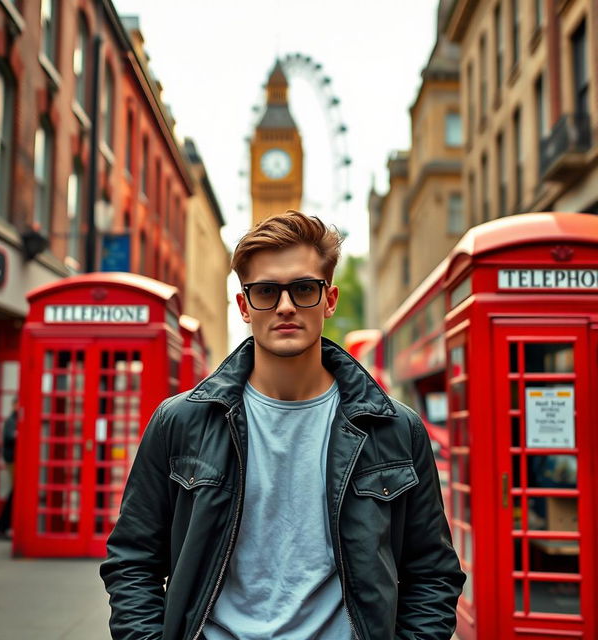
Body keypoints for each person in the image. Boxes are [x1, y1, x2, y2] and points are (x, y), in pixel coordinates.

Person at [101, 211, 464, 640]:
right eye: (267, 291)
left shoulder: (396, 430)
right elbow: (133, 560)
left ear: (329, 300)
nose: (286, 306)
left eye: (304, 289)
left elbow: (432, 574)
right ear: (244, 306)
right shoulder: (181, 422)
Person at [0, 397, 18, 540]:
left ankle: (5, 526)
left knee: (15, 493)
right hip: (12, 461)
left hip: (17, 461)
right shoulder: (11, 420)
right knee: (14, 493)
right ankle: (2, 526)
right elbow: (9, 437)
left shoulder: (17, 419)